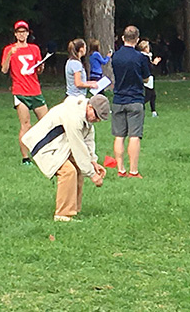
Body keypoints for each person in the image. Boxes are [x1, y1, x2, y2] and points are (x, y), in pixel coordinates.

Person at [21, 95, 109, 222]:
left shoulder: (86, 117)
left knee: (78, 168)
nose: (97, 120)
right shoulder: (74, 116)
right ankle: (62, 215)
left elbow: (88, 140)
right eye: (97, 116)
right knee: (68, 172)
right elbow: (78, 146)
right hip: (44, 145)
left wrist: (93, 161)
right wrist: (92, 175)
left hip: (61, 144)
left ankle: (74, 210)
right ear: (90, 107)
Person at [1, 20, 48, 166]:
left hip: (35, 90)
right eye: (19, 32)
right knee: (25, 124)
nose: (21, 34)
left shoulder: (34, 49)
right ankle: (25, 157)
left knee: (47, 122)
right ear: (15, 34)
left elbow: (39, 70)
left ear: (28, 33)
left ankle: (46, 151)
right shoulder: (9, 49)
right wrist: (9, 54)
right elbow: (4, 70)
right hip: (20, 91)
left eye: (24, 31)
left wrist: (41, 66)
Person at [111, 26, 151, 178]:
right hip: (135, 99)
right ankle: (133, 170)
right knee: (134, 135)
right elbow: (146, 78)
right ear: (137, 39)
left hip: (118, 98)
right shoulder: (140, 57)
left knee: (119, 135)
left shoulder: (116, 56)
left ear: (123, 38)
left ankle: (121, 169)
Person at [137, 40, 162, 118]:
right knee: (149, 95)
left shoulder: (144, 56)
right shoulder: (145, 57)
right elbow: (149, 68)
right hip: (147, 77)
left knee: (152, 95)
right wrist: (154, 63)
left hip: (148, 77)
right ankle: (140, 106)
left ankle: (153, 111)